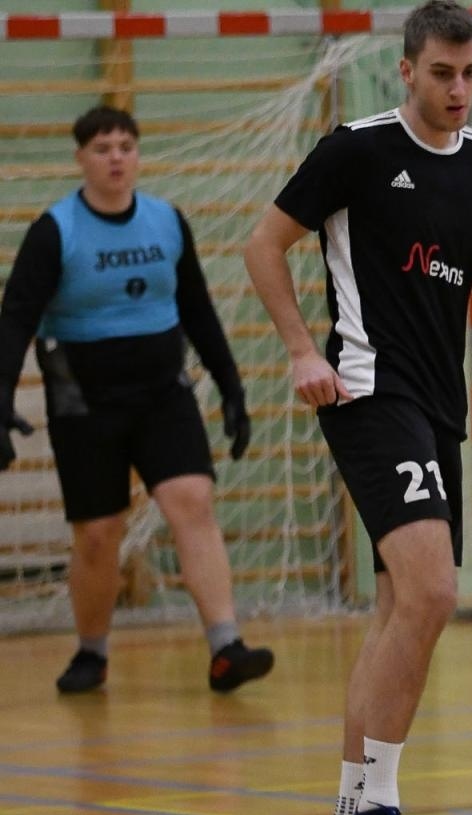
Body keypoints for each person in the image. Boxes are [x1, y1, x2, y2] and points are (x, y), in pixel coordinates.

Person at [244, 0, 472, 815]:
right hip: (370, 391)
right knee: (433, 593)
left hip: (436, 403)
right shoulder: (358, 149)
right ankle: (374, 807)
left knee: (398, 611)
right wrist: (304, 350)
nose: (458, 89)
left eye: (471, 73)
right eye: (442, 73)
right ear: (406, 71)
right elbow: (263, 246)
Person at [0, 106, 274, 696]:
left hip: (161, 396)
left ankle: (226, 645)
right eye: (102, 147)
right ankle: (91, 652)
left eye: (126, 145)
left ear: (138, 154)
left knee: (192, 500)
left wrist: (231, 389)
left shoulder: (166, 221)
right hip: (84, 402)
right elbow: (17, 315)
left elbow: (197, 308)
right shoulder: (56, 231)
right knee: (99, 534)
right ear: (80, 158)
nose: (116, 156)